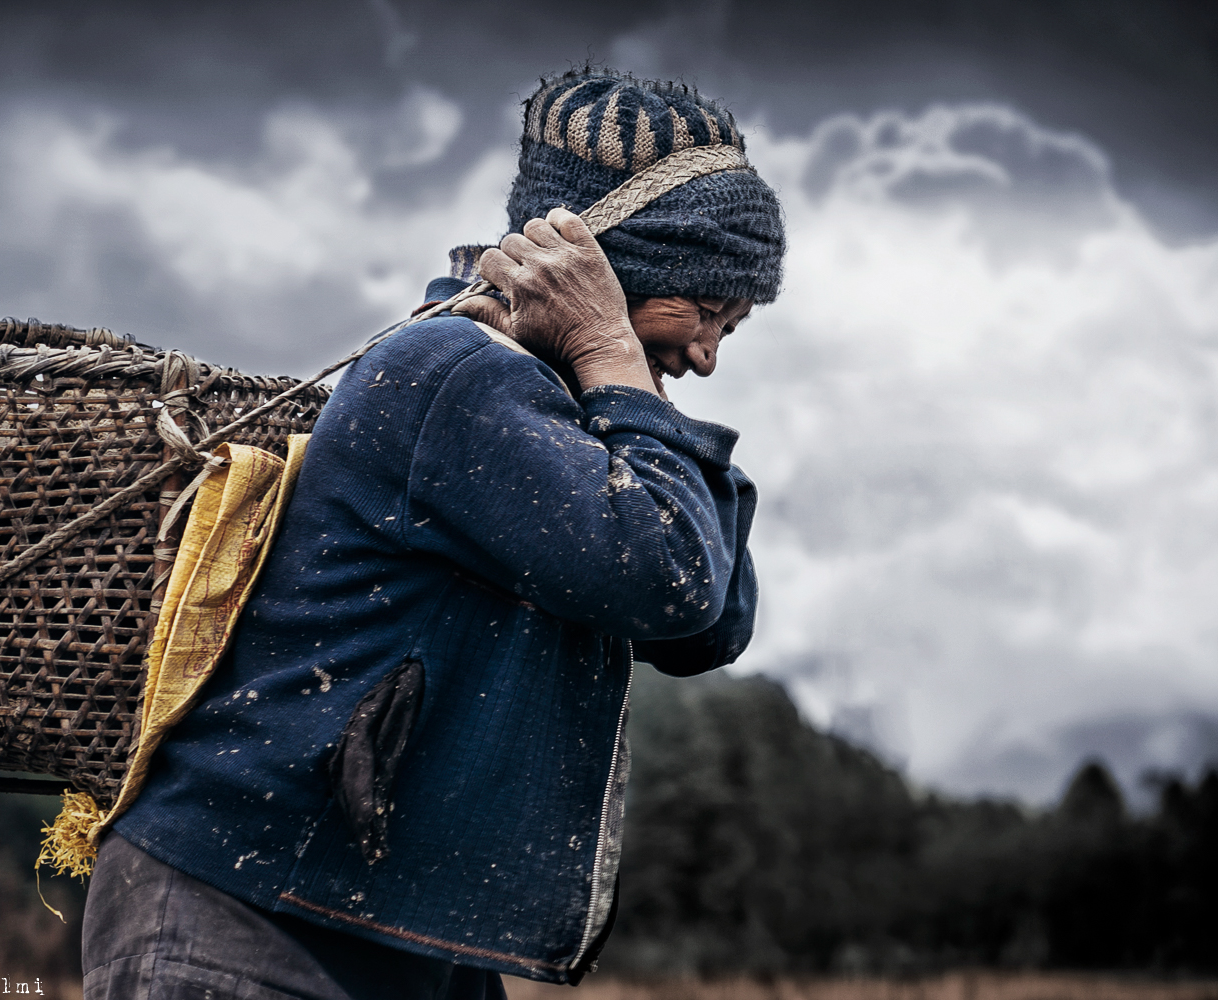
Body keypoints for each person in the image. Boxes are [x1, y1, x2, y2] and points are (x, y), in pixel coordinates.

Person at [82, 69, 785, 1000]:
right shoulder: (454, 373)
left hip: (384, 928)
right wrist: (615, 355)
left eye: (727, 332)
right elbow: (664, 576)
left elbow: (710, 623)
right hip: (250, 914)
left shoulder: (562, 409)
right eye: (703, 313)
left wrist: (620, 380)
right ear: (612, 274)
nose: (703, 354)